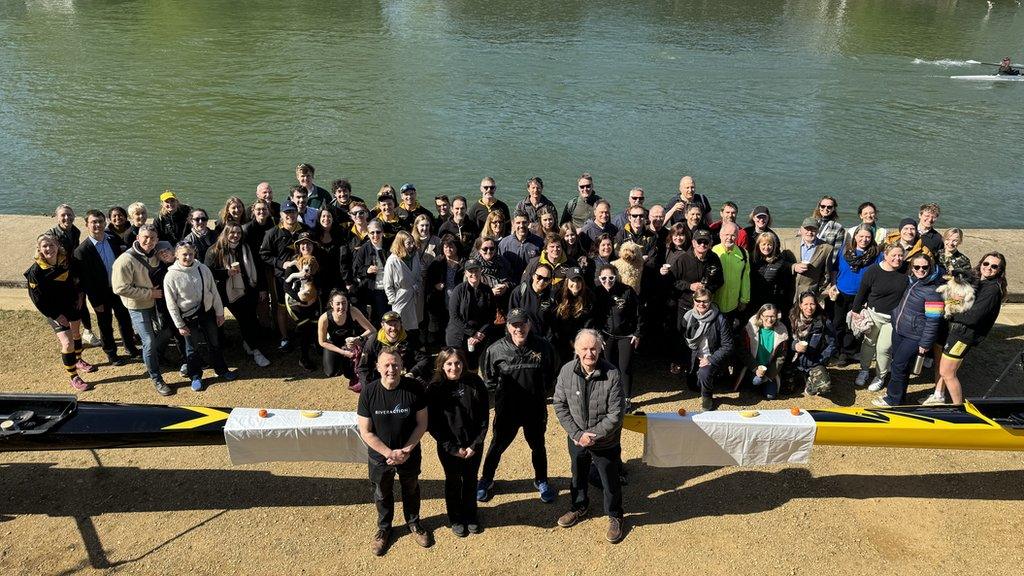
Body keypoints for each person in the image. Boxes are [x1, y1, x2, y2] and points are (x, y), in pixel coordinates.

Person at [478, 308, 559, 503]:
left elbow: (552, 373)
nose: (519, 328)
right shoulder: (495, 349)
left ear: (529, 324)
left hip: (535, 409)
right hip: (507, 411)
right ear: (508, 327)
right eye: (514, 325)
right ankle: (486, 480)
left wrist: (541, 391)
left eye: (522, 324)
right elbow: (488, 378)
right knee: (496, 445)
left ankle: (541, 480)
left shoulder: (544, 346)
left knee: (538, 446)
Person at [356, 347, 431, 556]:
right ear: (378, 367)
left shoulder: (414, 388)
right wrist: (390, 453)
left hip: (409, 452)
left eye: (395, 364)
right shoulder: (369, 392)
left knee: (411, 488)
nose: (391, 369)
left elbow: (421, 424)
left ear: (402, 366)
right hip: (381, 456)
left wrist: (406, 450)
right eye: (387, 365)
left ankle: (414, 523)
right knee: (382, 493)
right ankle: (384, 528)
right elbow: (366, 431)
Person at [552, 328, 625, 543]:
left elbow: (616, 414)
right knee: (578, 473)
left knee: (609, 479)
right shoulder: (566, 371)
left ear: (600, 349)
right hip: (576, 438)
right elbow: (559, 404)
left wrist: (593, 436)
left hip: (605, 440)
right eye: (584, 348)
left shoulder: (612, 374)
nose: (589, 353)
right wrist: (577, 434)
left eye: (593, 348)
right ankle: (579, 506)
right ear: (576, 349)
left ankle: (615, 515)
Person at [925, 252, 1007, 405]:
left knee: (947, 373)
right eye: (986, 264)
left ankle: (958, 407)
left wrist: (949, 313)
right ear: (981, 263)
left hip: (963, 336)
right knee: (945, 369)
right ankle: (939, 397)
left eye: (994, 266)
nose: (989, 268)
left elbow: (973, 316)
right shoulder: (978, 282)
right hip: (956, 331)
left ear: (999, 271)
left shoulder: (992, 290)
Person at [427, 347, 489, 537]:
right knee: (453, 481)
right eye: (449, 364)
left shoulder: (475, 382)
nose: (454, 367)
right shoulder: (434, 389)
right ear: (442, 366)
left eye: (458, 362)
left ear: (463, 363)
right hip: (449, 448)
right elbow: (433, 425)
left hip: (473, 445)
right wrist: (452, 448)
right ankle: (455, 517)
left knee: (470, 480)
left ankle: (471, 515)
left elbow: (484, 418)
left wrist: (475, 445)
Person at [871, 253, 944, 407]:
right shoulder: (912, 282)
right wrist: (894, 315)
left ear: (930, 268)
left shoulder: (933, 292)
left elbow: (933, 320)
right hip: (899, 330)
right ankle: (899, 397)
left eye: (925, 267)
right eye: (917, 267)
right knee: (900, 365)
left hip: (914, 335)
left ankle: (893, 399)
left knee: (898, 365)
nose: (921, 270)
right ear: (912, 268)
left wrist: (925, 343)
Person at [163, 242, 237, 391]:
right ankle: (195, 376)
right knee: (192, 349)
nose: (188, 257)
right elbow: (171, 304)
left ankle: (221, 370)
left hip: (207, 313)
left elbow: (214, 292)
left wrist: (219, 312)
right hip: (188, 317)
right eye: (184, 254)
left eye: (190, 254)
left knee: (214, 343)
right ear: (177, 255)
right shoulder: (170, 276)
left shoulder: (203, 269)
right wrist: (180, 325)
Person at [112, 224, 174, 396]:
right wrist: (149, 293)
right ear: (137, 238)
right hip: (138, 306)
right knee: (148, 341)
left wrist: (170, 258)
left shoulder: (157, 251)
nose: (149, 241)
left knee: (168, 331)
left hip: (157, 303)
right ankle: (156, 378)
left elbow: (174, 254)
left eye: (153, 238)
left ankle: (156, 356)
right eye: (145, 237)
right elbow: (119, 288)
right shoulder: (125, 261)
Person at [26, 233, 93, 392]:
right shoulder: (35, 271)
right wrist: (56, 315)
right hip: (54, 311)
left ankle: (78, 360)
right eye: (44, 246)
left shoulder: (66, 260)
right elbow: (37, 299)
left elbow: (78, 278)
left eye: (51, 245)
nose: (48, 249)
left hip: (72, 305)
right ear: (39, 249)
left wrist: (80, 295)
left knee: (76, 334)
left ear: (57, 246)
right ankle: (74, 377)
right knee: (67, 342)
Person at [73, 209, 140, 366]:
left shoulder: (113, 240)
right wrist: (95, 301)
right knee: (105, 324)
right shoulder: (82, 251)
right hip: (100, 294)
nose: (97, 225)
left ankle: (130, 347)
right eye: (93, 222)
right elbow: (85, 281)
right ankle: (111, 353)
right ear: (87, 225)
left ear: (105, 223)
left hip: (119, 290)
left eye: (100, 221)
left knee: (124, 319)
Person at [204, 222, 270, 368]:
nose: (235, 236)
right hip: (222, 292)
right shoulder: (214, 251)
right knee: (217, 322)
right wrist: (226, 273)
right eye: (232, 232)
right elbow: (207, 273)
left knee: (248, 320)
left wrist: (261, 288)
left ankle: (253, 348)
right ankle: (219, 352)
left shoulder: (245, 248)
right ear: (225, 233)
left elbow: (257, 267)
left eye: (238, 233)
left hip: (245, 290)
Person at [850, 245, 909, 389]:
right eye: (894, 255)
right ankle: (864, 370)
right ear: (885, 255)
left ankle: (880, 376)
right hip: (873, 314)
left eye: (900, 255)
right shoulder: (874, 270)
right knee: (869, 343)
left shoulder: (906, 272)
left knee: (884, 349)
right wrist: (855, 310)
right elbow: (862, 291)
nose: (897, 258)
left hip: (893, 318)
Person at [49, 204, 100, 348]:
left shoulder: (75, 231)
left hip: (74, 273)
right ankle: (68, 335)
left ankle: (87, 332)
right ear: (57, 217)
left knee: (81, 302)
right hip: (60, 277)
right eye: (63, 215)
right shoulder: (51, 235)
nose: (67, 218)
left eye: (69, 214)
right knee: (68, 305)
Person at [593, 264, 643, 412]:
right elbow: (593, 317)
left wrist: (637, 333)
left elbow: (639, 313)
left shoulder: (627, 291)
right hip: (606, 336)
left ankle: (626, 398)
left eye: (611, 277)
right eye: (603, 278)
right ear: (599, 279)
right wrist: (597, 334)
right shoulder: (597, 292)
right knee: (608, 368)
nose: (607, 281)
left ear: (616, 276)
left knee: (625, 367)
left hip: (625, 336)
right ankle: (610, 398)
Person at [259, 199, 308, 350]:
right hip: (282, 277)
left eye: (292, 212)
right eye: (286, 213)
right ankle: (284, 337)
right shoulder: (272, 233)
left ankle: (305, 335)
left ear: (297, 212)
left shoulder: (304, 230)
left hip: (303, 277)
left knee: (304, 304)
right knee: (281, 307)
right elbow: (264, 254)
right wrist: (281, 264)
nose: (290, 215)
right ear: (281, 215)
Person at [831, 225, 880, 367]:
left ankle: (848, 352)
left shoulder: (876, 255)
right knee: (838, 323)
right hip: (841, 293)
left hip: (861, 296)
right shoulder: (845, 251)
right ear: (855, 237)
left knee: (853, 325)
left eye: (868, 237)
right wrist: (833, 284)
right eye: (861, 236)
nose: (864, 240)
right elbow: (835, 269)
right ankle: (838, 348)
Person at [682, 288, 734, 411]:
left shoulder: (720, 319)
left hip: (711, 355)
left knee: (704, 374)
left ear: (710, 301)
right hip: (695, 356)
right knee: (694, 385)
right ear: (693, 301)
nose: (701, 304)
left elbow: (728, 345)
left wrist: (710, 359)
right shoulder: (688, 317)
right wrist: (679, 361)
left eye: (705, 301)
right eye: (698, 301)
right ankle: (706, 379)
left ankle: (707, 397)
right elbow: (683, 341)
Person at [282, 232, 322, 370]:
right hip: (296, 301)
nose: (306, 246)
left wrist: (315, 297)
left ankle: (318, 346)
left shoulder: (316, 262)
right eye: (302, 244)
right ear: (298, 247)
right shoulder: (293, 264)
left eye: (309, 243)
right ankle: (304, 358)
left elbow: (321, 283)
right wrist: (301, 300)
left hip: (314, 299)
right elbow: (286, 287)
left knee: (316, 324)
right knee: (304, 327)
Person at [358, 311, 431, 386]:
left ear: (401, 324)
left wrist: (412, 373)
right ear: (382, 325)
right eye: (389, 325)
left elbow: (424, 359)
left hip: (407, 376)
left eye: (396, 324)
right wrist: (367, 388)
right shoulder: (373, 341)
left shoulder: (411, 338)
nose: (393, 328)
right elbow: (363, 367)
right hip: (383, 378)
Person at [446, 258, 496, 368]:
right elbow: (454, 316)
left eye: (476, 270)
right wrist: (472, 333)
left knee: (473, 366)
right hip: (459, 335)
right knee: (458, 365)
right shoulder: (458, 290)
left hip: (479, 335)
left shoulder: (487, 290)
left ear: (481, 271)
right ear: (465, 273)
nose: (474, 274)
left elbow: (491, 315)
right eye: (470, 271)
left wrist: (480, 333)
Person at [318, 290, 374, 389]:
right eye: (338, 304)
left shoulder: (353, 311)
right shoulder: (324, 318)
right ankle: (340, 361)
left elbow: (372, 330)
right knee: (330, 372)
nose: (341, 307)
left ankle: (348, 365)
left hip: (349, 343)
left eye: (344, 303)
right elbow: (322, 342)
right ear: (331, 304)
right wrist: (343, 352)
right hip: (333, 344)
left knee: (350, 375)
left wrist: (358, 338)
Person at [788, 291, 836, 397]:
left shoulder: (824, 321)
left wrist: (820, 360)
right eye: (805, 304)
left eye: (812, 304)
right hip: (794, 361)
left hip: (814, 361)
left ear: (816, 304)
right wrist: (794, 345)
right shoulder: (792, 319)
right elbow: (784, 341)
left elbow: (832, 344)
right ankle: (799, 376)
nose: (809, 308)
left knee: (824, 387)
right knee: (785, 390)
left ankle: (810, 380)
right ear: (800, 305)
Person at [738, 304, 789, 399]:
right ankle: (752, 384)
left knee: (770, 396)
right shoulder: (750, 329)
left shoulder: (782, 332)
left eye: (772, 316)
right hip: (753, 366)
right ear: (761, 316)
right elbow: (742, 351)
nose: (770, 320)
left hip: (769, 368)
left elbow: (781, 357)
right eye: (766, 316)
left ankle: (763, 383)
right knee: (756, 381)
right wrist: (754, 368)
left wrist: (770, 374)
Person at [383, 231, 424, 340]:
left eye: (412, 243)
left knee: (415, 324)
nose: (412, 246)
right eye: (408, 243)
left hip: (415, 293)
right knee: (400, 324)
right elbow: (387, 283)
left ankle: (414, 346)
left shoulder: (415, 256)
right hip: (401, 296)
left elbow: (419, 273)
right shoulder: (392, 261)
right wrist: (393, 300)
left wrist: (419, 286)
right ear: (401, 244)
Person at [782, 218, 833, 301]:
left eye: (813, 229)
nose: (810, 232)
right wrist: (793, 267)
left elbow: (826, 274)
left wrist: (817, 292)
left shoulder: (827, 248)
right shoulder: (788, 243)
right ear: (801, 229)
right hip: (788, 291)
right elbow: (781, 264)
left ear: (818, 231)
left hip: (809, 295)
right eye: (807, 229)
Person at [425, 238, 463, 348]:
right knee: (442, 328)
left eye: (451, 247)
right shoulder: (437, 263)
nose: (448, 249)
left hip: (458, 302)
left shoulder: (462, 263)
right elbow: (429, 281)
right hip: (442, 301)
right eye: (446, 247)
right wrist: (435, 285)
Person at [551, 267, 596, 359]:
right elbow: (554, 321)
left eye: (579, 281)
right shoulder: (558, 295)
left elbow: (589, 321)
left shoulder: (589, 296)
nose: (575, 284)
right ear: (567, 281)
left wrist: (579, 340)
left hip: (581, 339)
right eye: (573, 280)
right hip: (561, 339)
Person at [748, 231, 793, 322]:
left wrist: (779, 306)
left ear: (774, 246)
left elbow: (783, 285)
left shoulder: (779, 262)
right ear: (758, 245)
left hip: (772, 301)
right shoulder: (752, 259)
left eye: (769, 244)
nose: (766, 247)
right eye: (763, 244)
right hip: (754, 300)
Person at [353, 220, 390, 326]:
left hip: (390, 288)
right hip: (375, 289)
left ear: (382, 232)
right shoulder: (363, 249)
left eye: (378, 232)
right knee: (379, 319)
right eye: (372, 233)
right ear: (368, 234)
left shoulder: (389, 246)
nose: (375, 235)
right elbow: (356, 270)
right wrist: (367, 270)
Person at [508, 263, 559, 339]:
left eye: (546, 279)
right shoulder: (519, 292)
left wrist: (546, 342)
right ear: (533, 276)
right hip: (522, 338)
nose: (541, 281)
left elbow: (553, 323)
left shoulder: (551, 296)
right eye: (539, 277)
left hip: (542, 341)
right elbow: (511, 318)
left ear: (550, 281)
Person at [711, 222, 750, 319]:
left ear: (737, 237)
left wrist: (744, 299)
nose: (729, 238)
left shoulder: (743, 253)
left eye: (733, 235)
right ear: (720, 235)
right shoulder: (712, 252)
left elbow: (745, 278)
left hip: (733, 304)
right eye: (726, 235)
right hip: (714, 303)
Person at [498, 210, 543, 281]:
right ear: (513, 223)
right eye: (518, 223)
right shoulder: (504, 243)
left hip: (531, 282)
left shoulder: (539, 242)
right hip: (510, 282)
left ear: (529, 223)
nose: (521, 226)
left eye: (524, 222)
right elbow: (499, 266)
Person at [812, 196, 844, 260]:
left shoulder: (838, 228)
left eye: (829, 207)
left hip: (823, 261)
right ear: (819, 207)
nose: (826, 209)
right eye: (823, 206)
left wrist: (829, 267)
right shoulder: (812, 222)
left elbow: (836, 251)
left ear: (833, 208)